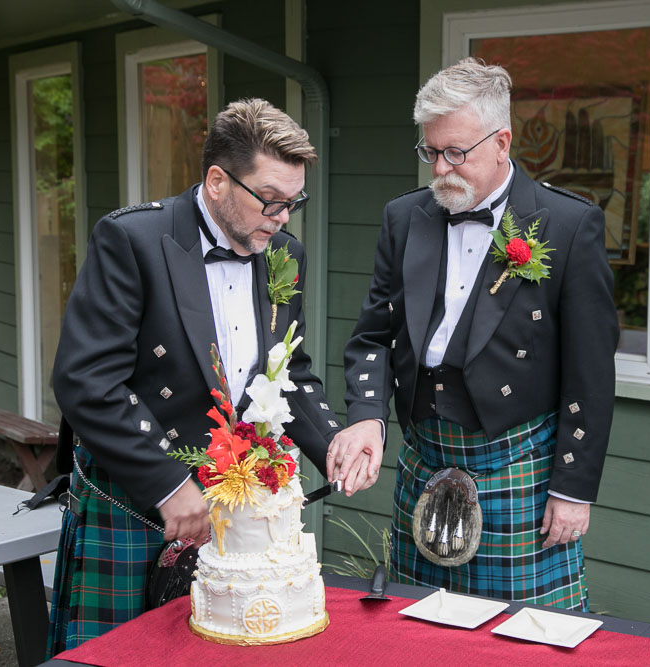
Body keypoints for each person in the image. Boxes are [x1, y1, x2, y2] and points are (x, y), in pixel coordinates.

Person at [47, 98, 341, 654]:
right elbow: (86, 380)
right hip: (135, 495)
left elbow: (285, 370)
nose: (281, 218)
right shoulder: (134, 240)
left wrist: (332, 445)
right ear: (217, 181)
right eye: (270, 200)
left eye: (292, 203)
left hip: (229, 501)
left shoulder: (282, 253)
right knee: (111, 658)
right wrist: (165, 483)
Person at [328, 58, 618, 611]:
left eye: (456, 152)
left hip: (518, 465)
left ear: (502, 141)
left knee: (523, 639)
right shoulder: (403, 217)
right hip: (424, 456)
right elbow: (374, 334)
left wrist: (572, 488)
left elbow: (590, 371)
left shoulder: (566, 224)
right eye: (430, 151)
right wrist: (367, 414)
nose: (440, 168)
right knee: (419, 629)